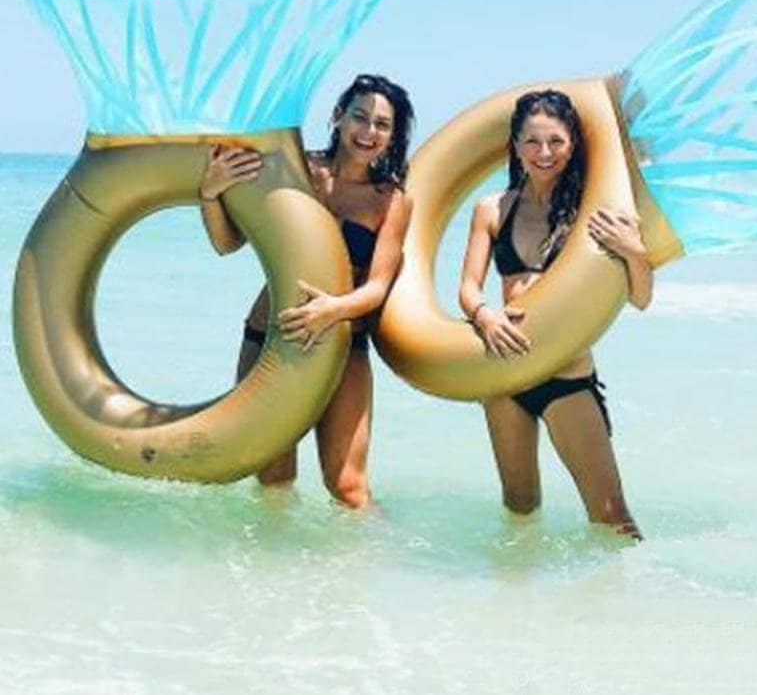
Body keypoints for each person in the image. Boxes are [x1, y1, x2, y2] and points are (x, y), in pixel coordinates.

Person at [199, 74, 414, 506]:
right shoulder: (299, 172)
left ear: (394, 136)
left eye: (382, 124)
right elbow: (227, 244)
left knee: (348, 486)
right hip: (270, 335)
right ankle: (275, 572)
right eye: (360, 117)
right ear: (338, 117)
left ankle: (370, 569)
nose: (368, 132)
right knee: (274, 477)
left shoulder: (389, 200)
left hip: (343, 343)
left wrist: (331, 311)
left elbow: (376, 288)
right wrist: (210, 192)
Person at [458, 89, 652, 540]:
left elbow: (641, 298)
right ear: (515, 145)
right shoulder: (492, 209)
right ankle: (526, 606)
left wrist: (633, 252)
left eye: (556, 142)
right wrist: (484, 315)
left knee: (613, 519)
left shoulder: (592, 210)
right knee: (519, 512)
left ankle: (631, 605)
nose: (544, 153)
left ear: (573, 145)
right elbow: (468, 287)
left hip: (567, 380)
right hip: (506, 379)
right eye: (531, 141)